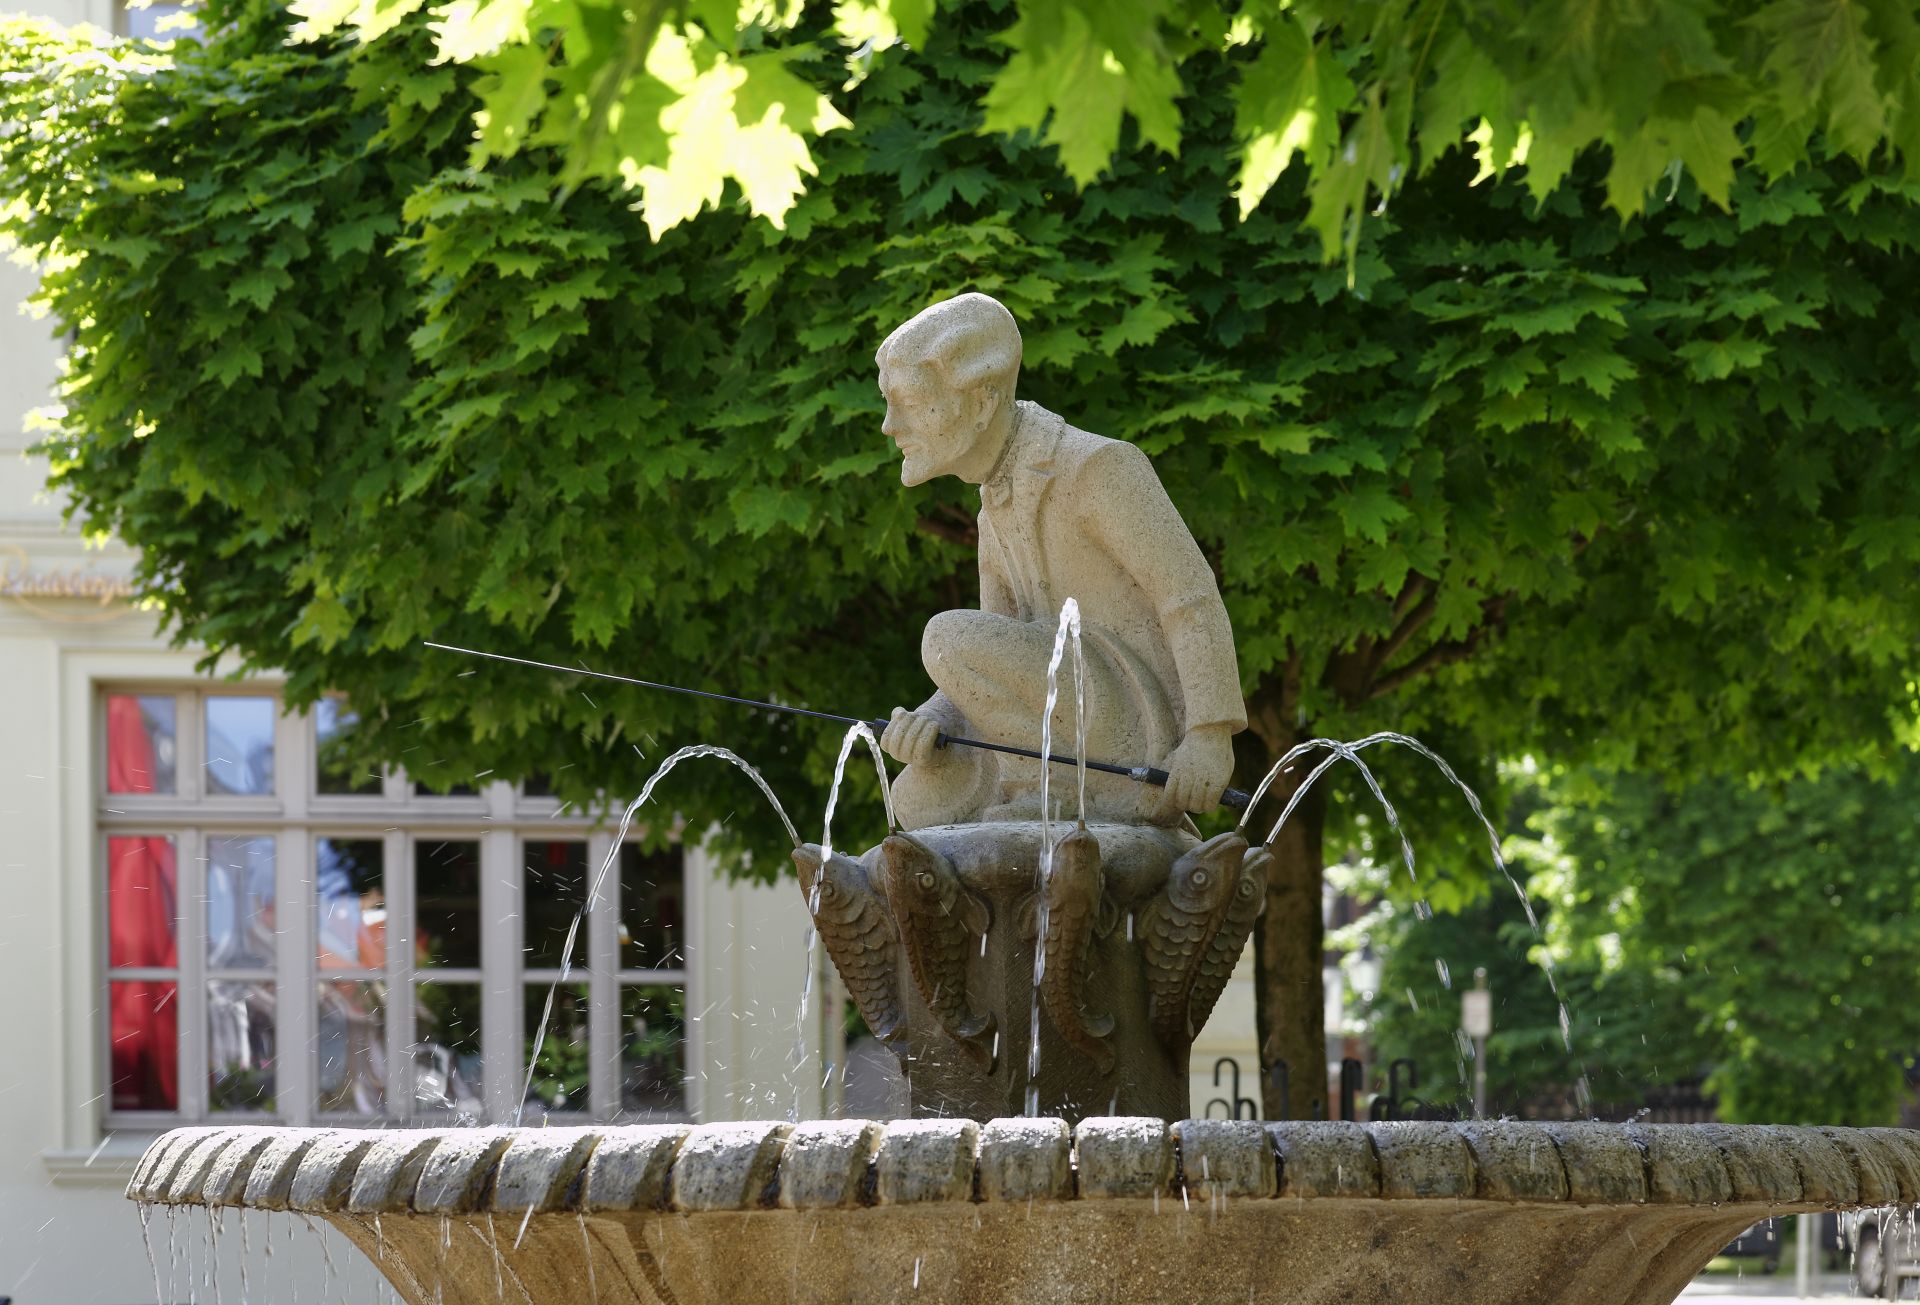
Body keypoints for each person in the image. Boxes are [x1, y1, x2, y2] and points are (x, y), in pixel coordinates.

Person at [875, 292, 1245, 828]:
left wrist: (1210, 738)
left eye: (907, 400)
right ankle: (1038, 787)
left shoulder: (1098, 467)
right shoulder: (991, 506)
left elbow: (1188, 596)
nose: (890, 425)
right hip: (1055, 720)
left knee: (944, 635)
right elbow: (999, 642)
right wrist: (933, 718)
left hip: (1130, 727)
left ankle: (1047, 794)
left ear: (981, 402)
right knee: (914, 801)